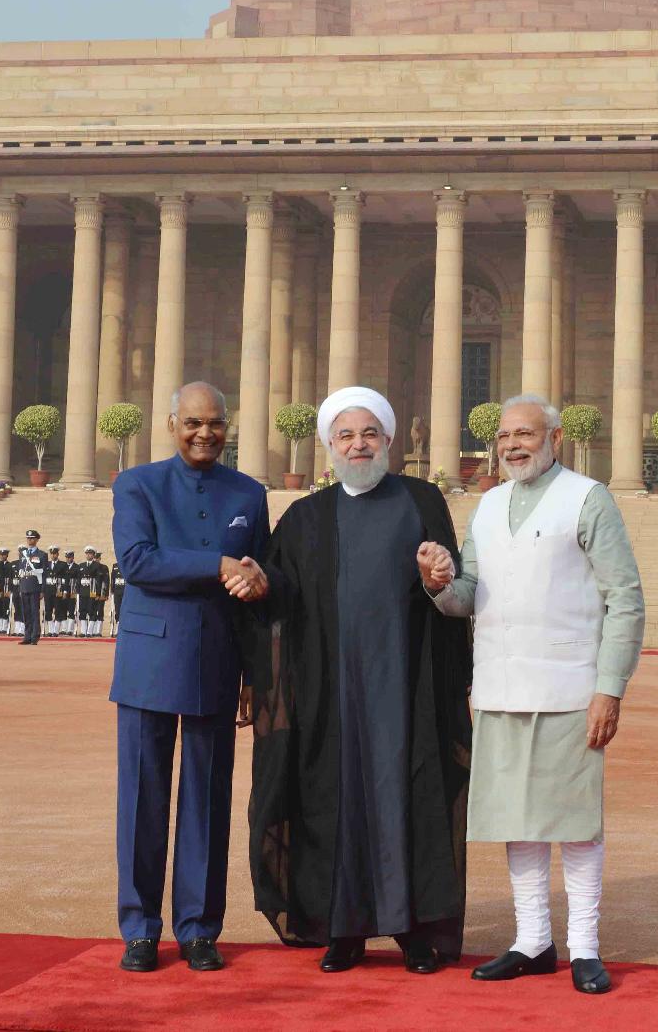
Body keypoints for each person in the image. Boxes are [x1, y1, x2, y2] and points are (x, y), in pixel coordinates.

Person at [242, 386, 471, 977]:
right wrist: (260, 583)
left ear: (389, 440)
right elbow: (282, 592)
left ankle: (413, 930)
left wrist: (437, 576)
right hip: (330, 691)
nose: (358, 444)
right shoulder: (306, 517)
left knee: (407, 800)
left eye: (369, 433)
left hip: (406, 688)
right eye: (345, 435)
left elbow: (449, 580)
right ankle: (341, 930)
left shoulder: (421, 499)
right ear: (329, 446)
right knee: (332, 803)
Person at [420, 393, 644, 997]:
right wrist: (437, 583)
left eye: (525, 433)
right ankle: (533, 940)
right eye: (504, 436)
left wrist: (610, 688)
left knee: (574, 821)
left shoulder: (587, 498)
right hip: (499, 686)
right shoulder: (489, 506)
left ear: (555, 438)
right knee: (517, 819)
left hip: (570, 687)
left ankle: (585, 946)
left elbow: (624, 597)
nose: (513, 445)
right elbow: (468, 593)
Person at [110, 381, 270, 974]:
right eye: (193, 423)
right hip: (149, 660)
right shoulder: (137, 484)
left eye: (215, 423)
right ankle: (140, 929)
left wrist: (253, 671)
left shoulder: (249, 493)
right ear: (172, 424)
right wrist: (218, 563)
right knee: (142, 797)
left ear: (228, 426)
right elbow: (137, 560)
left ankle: (199, 928)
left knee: (207, 798)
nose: (205, 433)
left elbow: (256, 586)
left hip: (217, 661)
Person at [16, 537, 48, 647]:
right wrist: (20, 587)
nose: (30, 540)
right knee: (26, 613)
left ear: (37, 540)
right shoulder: (23, 553)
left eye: (32, 538)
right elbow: (21, 571)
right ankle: (27, 636)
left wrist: (42, 589)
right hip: (24, 586)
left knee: (34, 613)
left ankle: (34, 636)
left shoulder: (42, 554)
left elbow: (44, 574)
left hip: (35, 587)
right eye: (28, 538)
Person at [83, 548, 110, 636]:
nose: (96, 560)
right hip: (92, 592)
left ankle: (98, 631)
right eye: (95, 558)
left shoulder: (104, 567)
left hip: (101, 593)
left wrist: (105, 594)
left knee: (100, 611)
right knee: (91, 610)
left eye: (97, 558)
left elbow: (106, 581)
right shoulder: (91, 567)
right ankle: (92, 631)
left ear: (99, 558)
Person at [43, 547, 64, 636]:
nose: (53, 555)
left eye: (54, 553)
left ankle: (56, 631)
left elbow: (65, 579)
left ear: (57, 554)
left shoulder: (62, 565)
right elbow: (43, 578)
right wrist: (42, 590)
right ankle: (50, 630)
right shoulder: (46, 564)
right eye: (51, 554)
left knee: (58, 610)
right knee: (48, 610)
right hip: (48, 591)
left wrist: (64, 591)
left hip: (57, 590)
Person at [110, 558, 125, 634]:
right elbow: (112, 579)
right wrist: (112, 590)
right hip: (117, 591)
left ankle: (123, 627)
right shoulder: (115, 566)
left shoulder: (127, 564)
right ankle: (118, 627)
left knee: (124, 609)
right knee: (117, 609)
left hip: (125, 591)